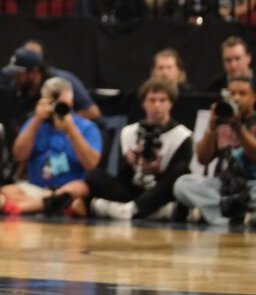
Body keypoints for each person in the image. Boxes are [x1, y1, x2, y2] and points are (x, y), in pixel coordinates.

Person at [74, 79, 192, 220]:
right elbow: (121, 176)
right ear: (143, 103)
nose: (157, 105)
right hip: (134, 188)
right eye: (152, 100)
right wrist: (130, 162)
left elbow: (179, 177)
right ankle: (151, 212)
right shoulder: (129, 132)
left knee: (182, 170)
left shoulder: (183, 135)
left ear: (171, 103)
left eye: (162, 100)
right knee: (93, 174)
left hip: (161, 191)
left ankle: (123, 210)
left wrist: (158, 170)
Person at [0, 77, 102, 215]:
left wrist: (71, 128)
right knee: (5, 191)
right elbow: (19, 155)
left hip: (68, 188)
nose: (56, 108)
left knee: (79, 188)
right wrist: (37, 119)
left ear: (71, 102)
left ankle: (24, 207)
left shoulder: (86, 127)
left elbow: (91, 163)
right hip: (37, 188)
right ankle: (57, 206)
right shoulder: (35, 123)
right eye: (52, 103)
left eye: (62, 104)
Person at [173, 76, 256, 225]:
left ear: (253, 97)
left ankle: (217, 213)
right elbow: (202, 159)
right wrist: (211, 127)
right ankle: (238, 216)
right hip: (224, 186)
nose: (236, 98)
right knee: (182, 184)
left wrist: (238, 128)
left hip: (252, 185)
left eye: (242, 94)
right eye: (232, 94)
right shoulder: (222, 122)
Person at [2, 46, 100, 131]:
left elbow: (93, 112)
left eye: (19, 75)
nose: (15, 79)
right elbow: (16, 125)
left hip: (76, 138)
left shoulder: (61, 83)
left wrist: (61, 120)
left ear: (34, 72)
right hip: (41, 142)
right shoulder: (15, 89)